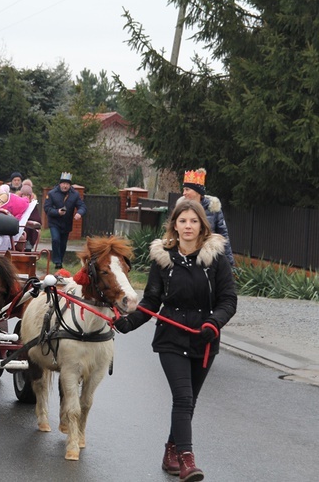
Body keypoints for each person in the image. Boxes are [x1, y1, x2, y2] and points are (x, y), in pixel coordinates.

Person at [114, 199, 237, 481]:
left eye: (194, 221)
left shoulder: (215, 259)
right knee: (182, 398)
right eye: (183, 221)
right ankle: (186, 461)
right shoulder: (164, 259)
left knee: (189, 401)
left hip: (204, 337)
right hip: (171, 337)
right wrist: (129, 322)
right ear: (175, 226)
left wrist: (214, 322)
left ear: (202, 225)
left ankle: (171, 450)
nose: (188, 226)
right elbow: (153, 300)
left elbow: (229, 299)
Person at [179, 168, 235, 266]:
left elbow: (223, 235)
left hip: (208, 260)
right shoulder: (181, 209)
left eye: (187, 189)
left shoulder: (213, 209)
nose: (184, 193)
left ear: (197, 191)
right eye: (183, 189)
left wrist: (229, 262)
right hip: (186, 257)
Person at [44, 171, 87, 269]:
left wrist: (79, 213)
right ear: (60, 184)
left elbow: (82, 206)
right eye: (63, 183)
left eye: (67, 184)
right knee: (55, 239)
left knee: (63, 244)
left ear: (70, 185)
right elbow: (47, 209)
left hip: (66, 223)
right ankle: (57, 262)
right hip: (54, 222)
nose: (65, 186)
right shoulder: (51, 194)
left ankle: (60, 260)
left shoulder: (74, 194)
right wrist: (57, 212)